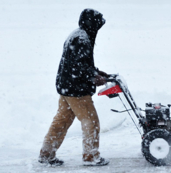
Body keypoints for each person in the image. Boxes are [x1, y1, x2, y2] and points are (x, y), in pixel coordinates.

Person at [38, 8, 109, 166]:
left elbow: (80, 64)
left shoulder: (77, 35)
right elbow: (78, 67)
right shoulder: (81, 39)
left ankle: (46, 154)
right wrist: (93, 78)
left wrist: (97, 72)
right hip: (77, 90)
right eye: (97, 25)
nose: (97, 29)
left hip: (67, 88)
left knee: (62, 121)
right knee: (91, 121)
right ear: (91, 23)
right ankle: (91, 156)